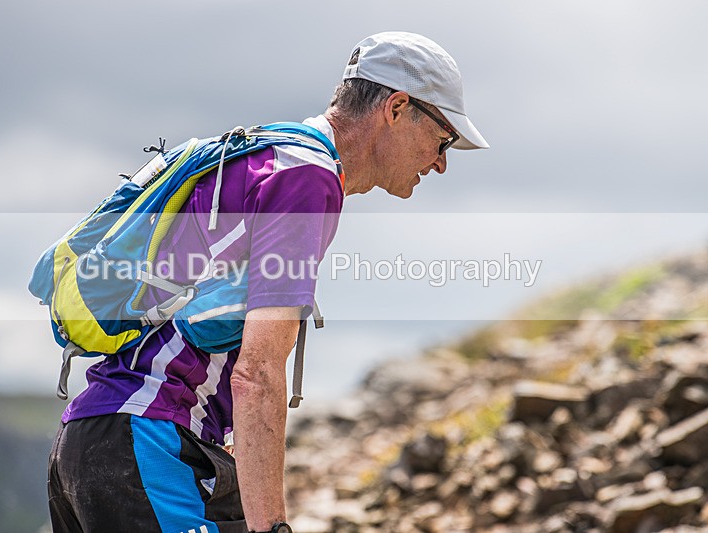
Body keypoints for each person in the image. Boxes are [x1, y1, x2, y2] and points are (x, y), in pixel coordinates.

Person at [47, 31, 488, 533]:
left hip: (95, 442)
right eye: (444, 137)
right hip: (149, 444)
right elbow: (256, 374)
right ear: (396, 107)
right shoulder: (307, 178)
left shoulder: (268, 155)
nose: (442, 161)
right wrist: (271, 527)